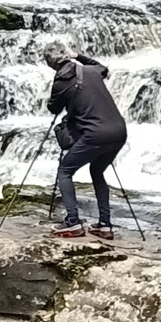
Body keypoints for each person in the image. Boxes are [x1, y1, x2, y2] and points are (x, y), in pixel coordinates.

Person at [43, 41, 127, 239]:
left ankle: (72, 223)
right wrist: (78, 56)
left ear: (50, 64)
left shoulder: (61, 81)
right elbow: (103, 69)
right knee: (97, 171)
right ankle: (104, 225)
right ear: (68, 55)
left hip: (94, 134)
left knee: (65, 171)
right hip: (119, 131)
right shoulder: (90, 71)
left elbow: (54, 109)